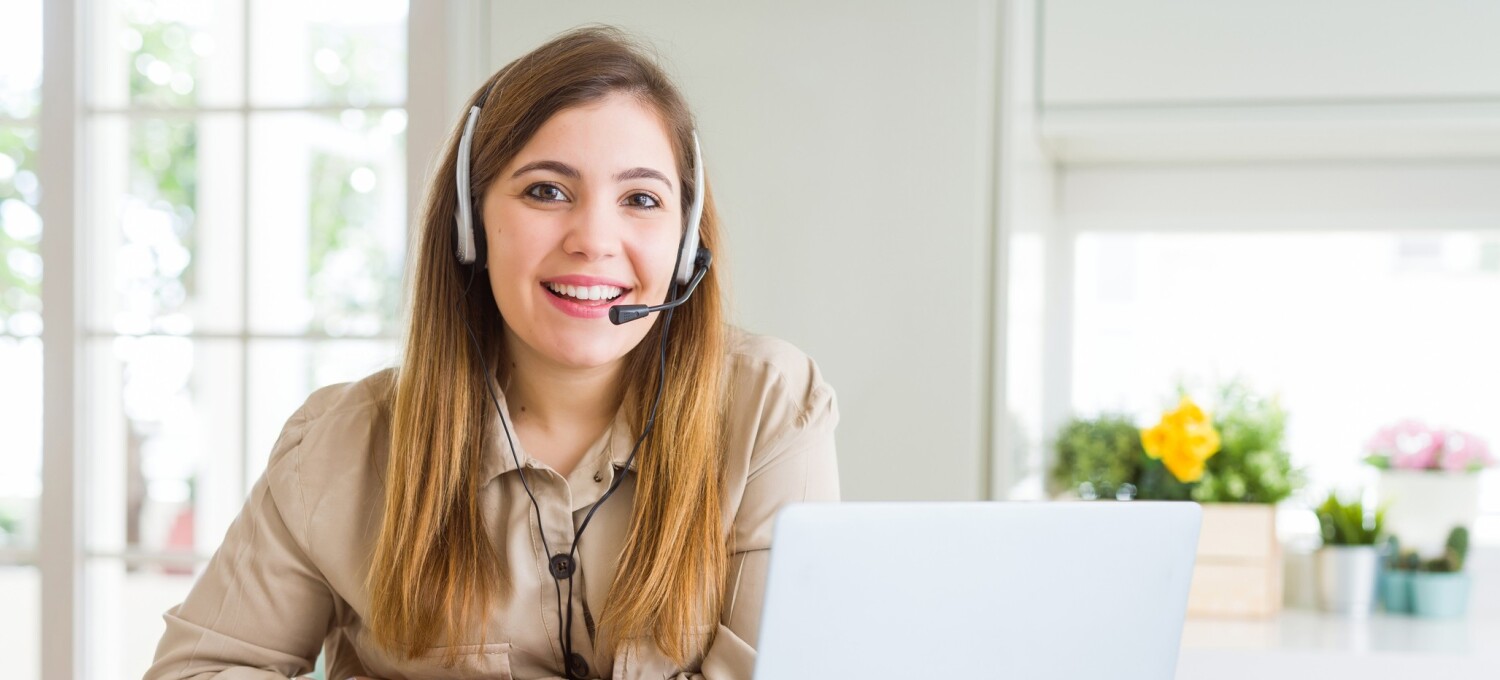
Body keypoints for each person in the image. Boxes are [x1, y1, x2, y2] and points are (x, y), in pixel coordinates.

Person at [145, 25, 839, 680]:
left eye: (640, 198)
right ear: (470, 224)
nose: (594, 240)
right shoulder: (341, 445)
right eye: (547, 191)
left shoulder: (768, 408)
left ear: (685, 243)